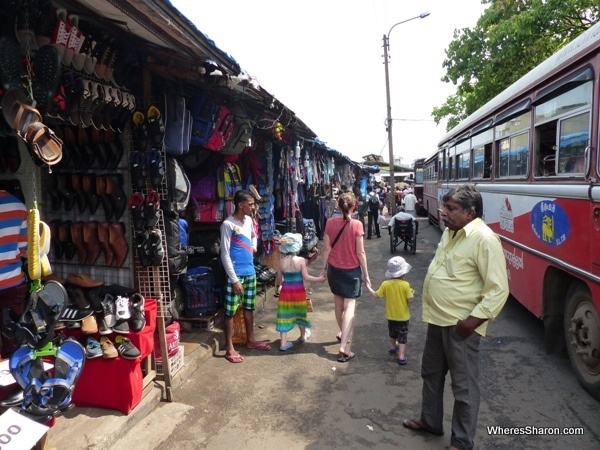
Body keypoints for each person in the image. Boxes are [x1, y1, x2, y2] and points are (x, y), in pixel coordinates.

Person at [403, 184, 509, 450]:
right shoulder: (451, 232)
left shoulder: (484, 239)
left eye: (451, 209)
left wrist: (472, 322)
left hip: (460, 326)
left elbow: (498, 289)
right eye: (445, 207)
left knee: (463, 388)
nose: (444, 212)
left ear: (469, 213)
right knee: (431, 373)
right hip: (437, 321)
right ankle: (430, 421)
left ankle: (461, 442)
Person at [220, 190, 272, 363]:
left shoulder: (249, 220)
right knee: (230, 311)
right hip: (236, 275)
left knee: (249, 308)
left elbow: (253, 236)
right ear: (240, 205)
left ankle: (251, 340)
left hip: (250, 272)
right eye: (250, 204)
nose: (253, 206)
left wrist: (254, 246)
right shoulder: (228, 224)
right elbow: (225, 254)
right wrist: (234, 279)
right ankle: (229, 348)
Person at [319, 192, 370, 362]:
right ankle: (343, 346)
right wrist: (366, 274)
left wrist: (323, 268)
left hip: (335, 268)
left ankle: (343, 334)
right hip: (352, 270)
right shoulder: (357, 225)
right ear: (354, 206)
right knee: (350, 307)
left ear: (338, 206)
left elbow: (326, 249)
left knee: (338, 305)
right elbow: (360, 252)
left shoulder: (330, 223)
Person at [275, 233, 326, 351]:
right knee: (300, 313)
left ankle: (283, 343)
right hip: (298, 292)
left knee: (284, 314)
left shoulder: (281, 262)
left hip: (285, 291)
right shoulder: (301, 261)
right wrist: (319, 279)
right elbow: (307, 278)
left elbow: (279, 280)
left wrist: (281, 285)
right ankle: (303, 336)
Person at [367, 256, 414, 365]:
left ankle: (393, 347)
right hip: (403, 316)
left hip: (391, 315)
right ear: (403, 273)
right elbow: (410, 300)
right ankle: (401, 356)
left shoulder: (385, 284)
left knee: (392, 332)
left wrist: (368, 287)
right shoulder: (405, 285)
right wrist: (412, 294)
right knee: (402, 335)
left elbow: (376, 295)